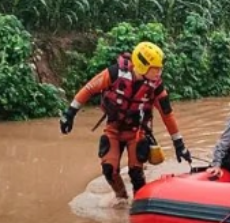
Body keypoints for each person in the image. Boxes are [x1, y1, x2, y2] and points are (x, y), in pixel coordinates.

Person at [59, 42, 192, 202]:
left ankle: (140, 203)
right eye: (156, 68)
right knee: (109, 169)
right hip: (114, 129)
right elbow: (89, 89)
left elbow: (167, 115)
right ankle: (121, 199)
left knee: (136, 172)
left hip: (137, 131)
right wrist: (70, 113)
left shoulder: (156, 87)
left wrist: (179, 144)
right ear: (143, 67)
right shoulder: (115, 73)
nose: (159, 72)